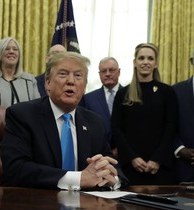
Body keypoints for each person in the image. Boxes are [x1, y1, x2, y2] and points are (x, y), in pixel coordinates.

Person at [0, 51, 128, 190]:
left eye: (78, 76)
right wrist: (78, 179)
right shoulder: (22, 115)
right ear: (47, 83)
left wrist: (113, 179)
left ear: (84, 87)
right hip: (36, 204)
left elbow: (111, 163)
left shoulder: (95, 123)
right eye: (63, 74)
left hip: (84, 207)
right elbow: (15, 170)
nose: (71, 81)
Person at [111, 43, 178, 185]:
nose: (145, 62)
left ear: (156, 63)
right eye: (141, 58)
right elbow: (116, 128)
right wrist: (132, 158)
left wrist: (157, 159)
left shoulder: (167, 92)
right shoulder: (123, 93)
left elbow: (171, 127)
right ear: (135, 62)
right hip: (131, 167)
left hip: (160, 167)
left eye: (150, 58)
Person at [0, 37, 40, 107]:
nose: (11, 52)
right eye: (6, 49)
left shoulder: (30, 79)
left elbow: (38, 109)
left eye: (15, 49)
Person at [79, 57, 122, 157]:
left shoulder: (130, 96)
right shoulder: (88, 98)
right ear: (99, 74)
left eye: (111, 70)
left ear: (119, 72)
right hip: (97, 155)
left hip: (126, 157)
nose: (107, 74)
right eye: (103, 71)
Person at [172, 52, 194, 183]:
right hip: (182, 170)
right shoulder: (176, 91)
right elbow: (167, 126)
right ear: (192, 61)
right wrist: (180, 149)